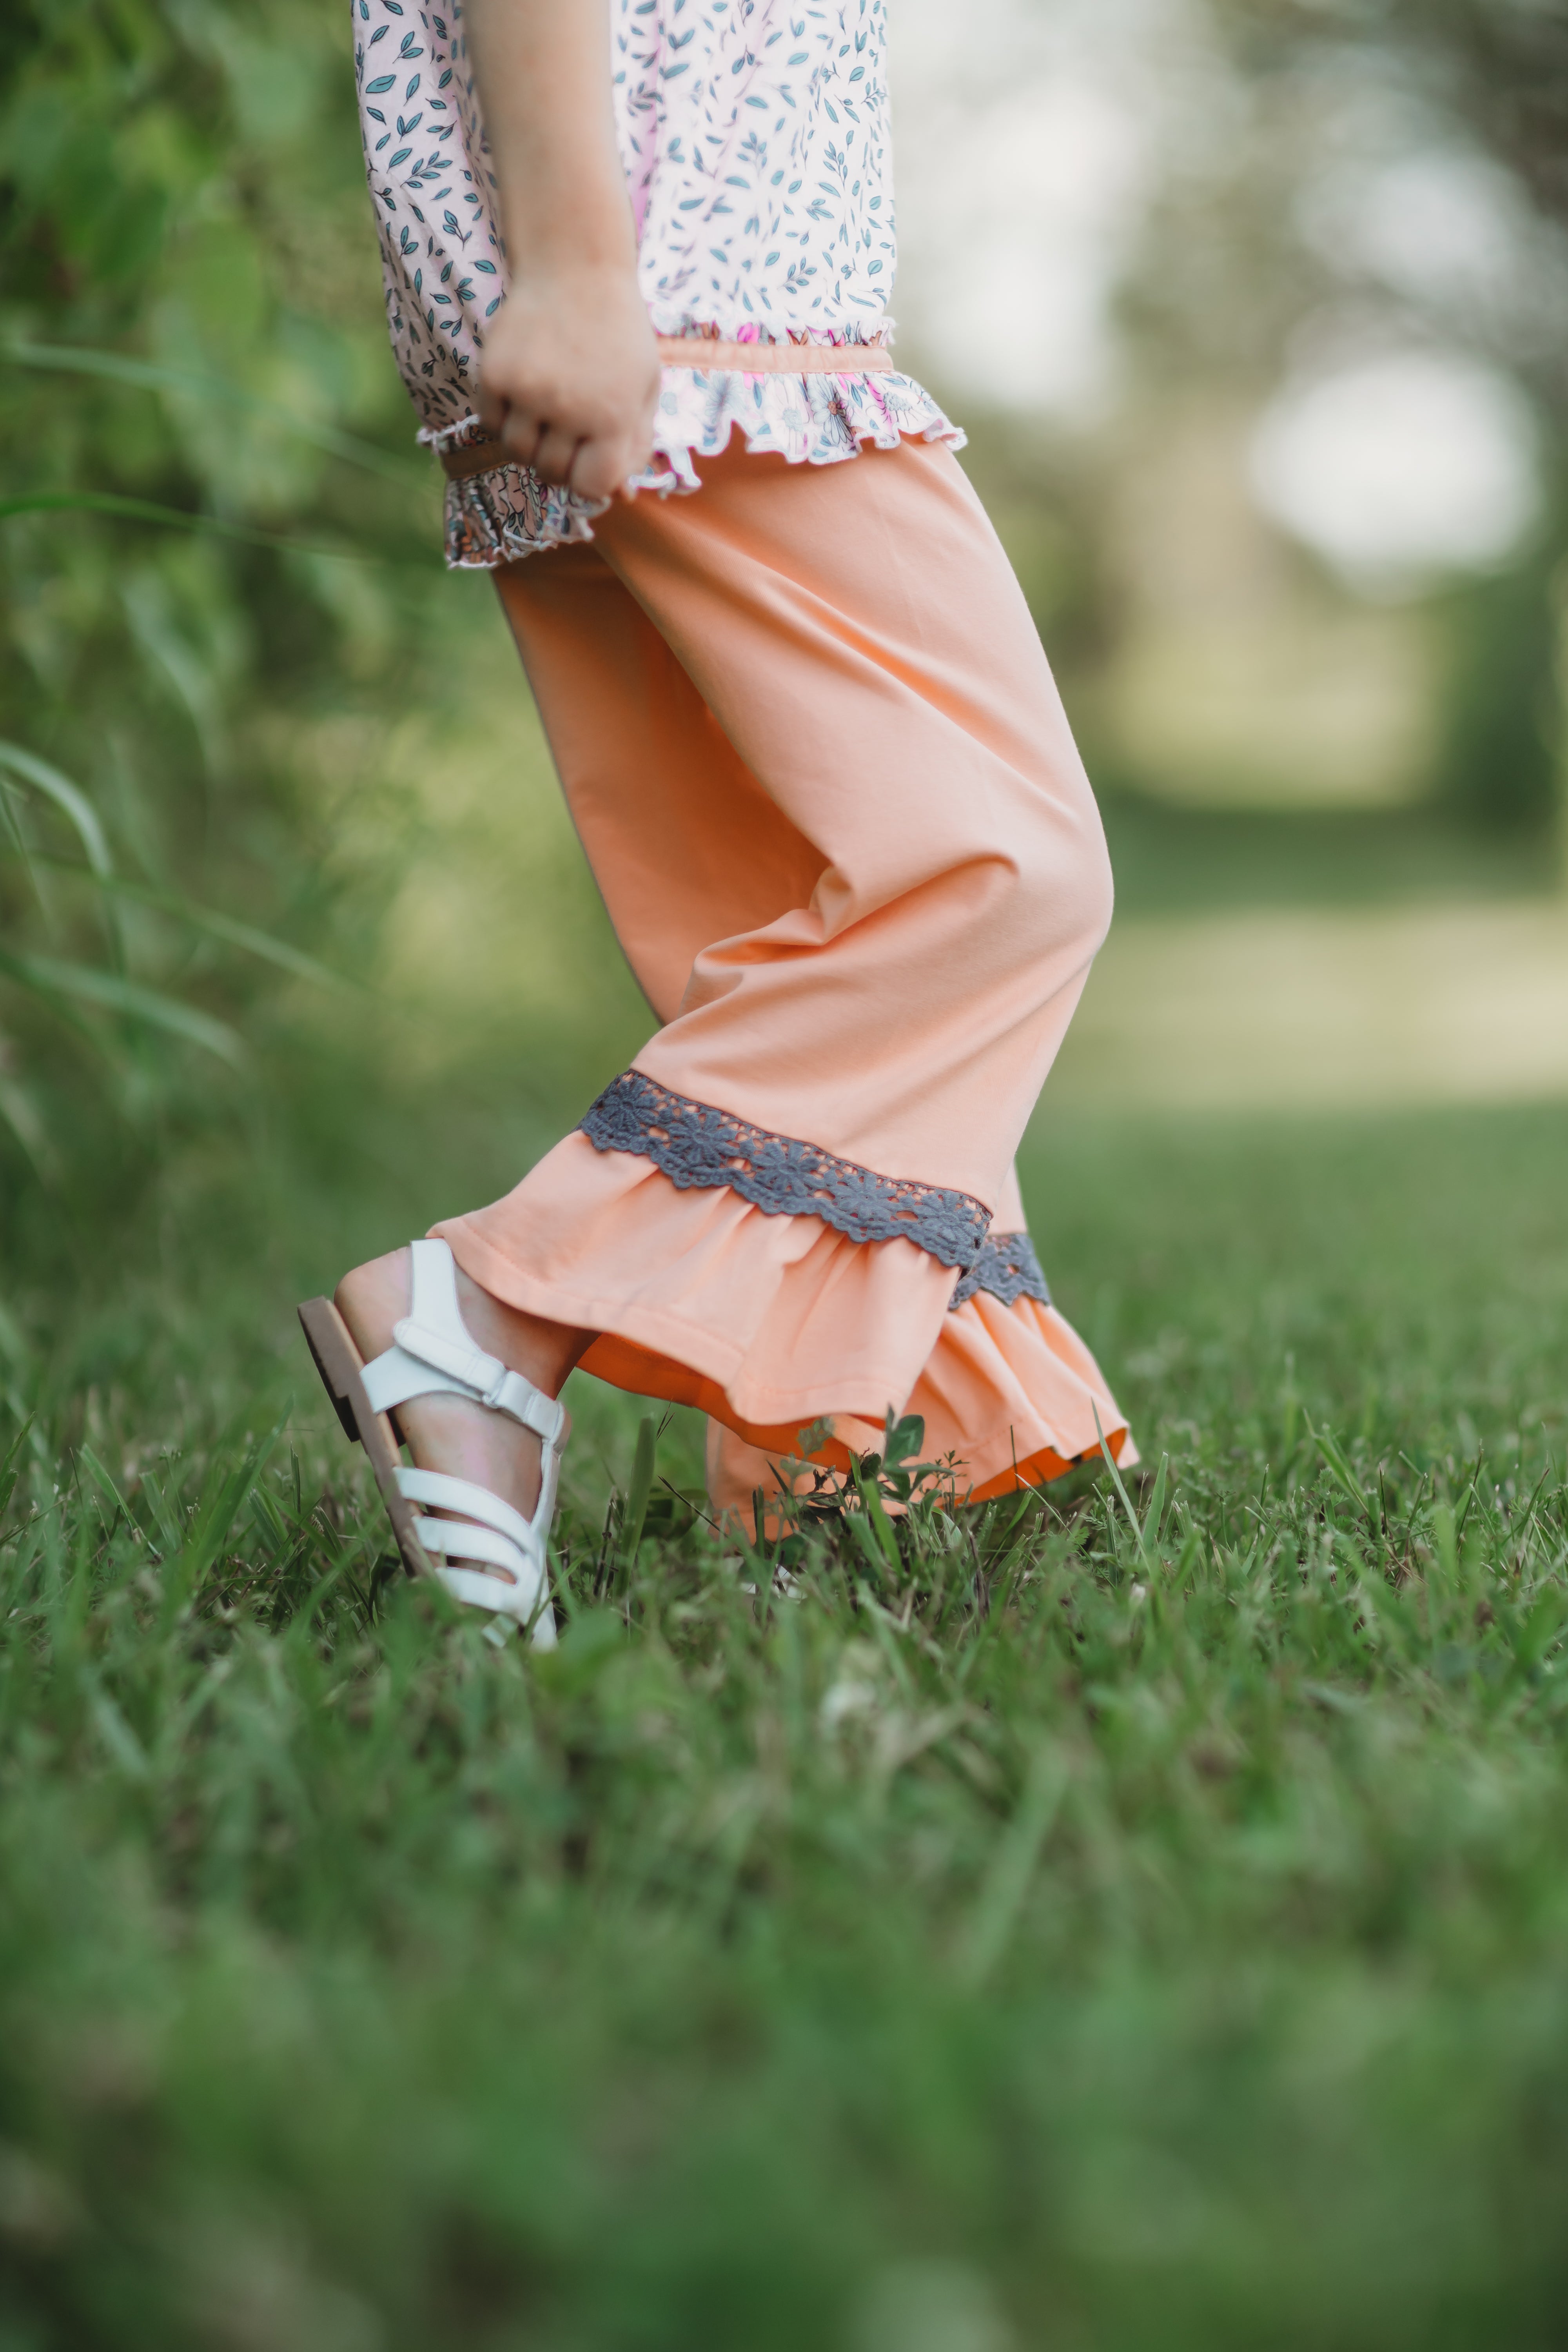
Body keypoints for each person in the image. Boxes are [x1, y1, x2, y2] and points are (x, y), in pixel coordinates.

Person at [299, 0, 1134, 1644]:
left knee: (776, 922)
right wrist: (580, 264)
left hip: (625, 292)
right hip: (690, 303)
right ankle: (491, 1312)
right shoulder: (644, 289)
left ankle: (842, 1455)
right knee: (997, 867)